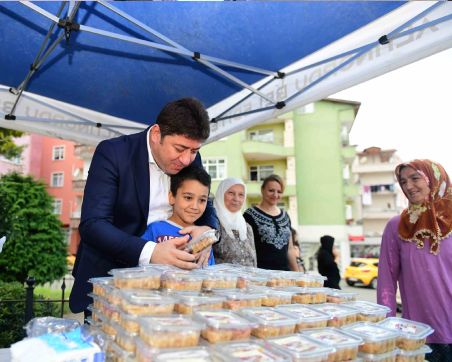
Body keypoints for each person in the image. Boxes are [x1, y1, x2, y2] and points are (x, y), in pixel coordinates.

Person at [69, 98, 219, 315]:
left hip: (172, 290)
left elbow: (208, 203)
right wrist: (151, 252)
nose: (187, 160)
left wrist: (209, 232)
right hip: (112, 281)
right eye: (180, 148)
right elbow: (93, 224)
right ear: (157, 134)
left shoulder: (190, 157)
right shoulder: (113, 153)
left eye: (194, 151)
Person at [377, 159, 452, 361]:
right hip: (417, 336)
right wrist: (387, 327)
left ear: (434, 179)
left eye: (415, 178)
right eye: (403, 181)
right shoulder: (396, 226)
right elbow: (386, 282)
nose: (408, 186)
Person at [142, 164, 215, 265]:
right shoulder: (155, 230)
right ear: (172, 197)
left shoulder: (204, 239)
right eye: (188, 198)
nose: (195, 206)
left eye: (202, 200)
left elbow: (209, 273)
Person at [243, 174, 298, 271]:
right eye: (271, 190)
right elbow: (246, 250)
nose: (275, 195)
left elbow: (290, 249)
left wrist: (297, 273)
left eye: (279, 192)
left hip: (285, 275)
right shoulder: (249, 215)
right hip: (261, 276)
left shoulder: (285, 216)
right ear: (262, 190)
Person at [212, 177, 256, 266]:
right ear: (221, 193)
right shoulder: (212, 224)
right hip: (221, 279)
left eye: (241, 195)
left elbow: (253, 261)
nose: (236, 199)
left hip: (248, 279)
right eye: (231, 193)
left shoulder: (247, 227)